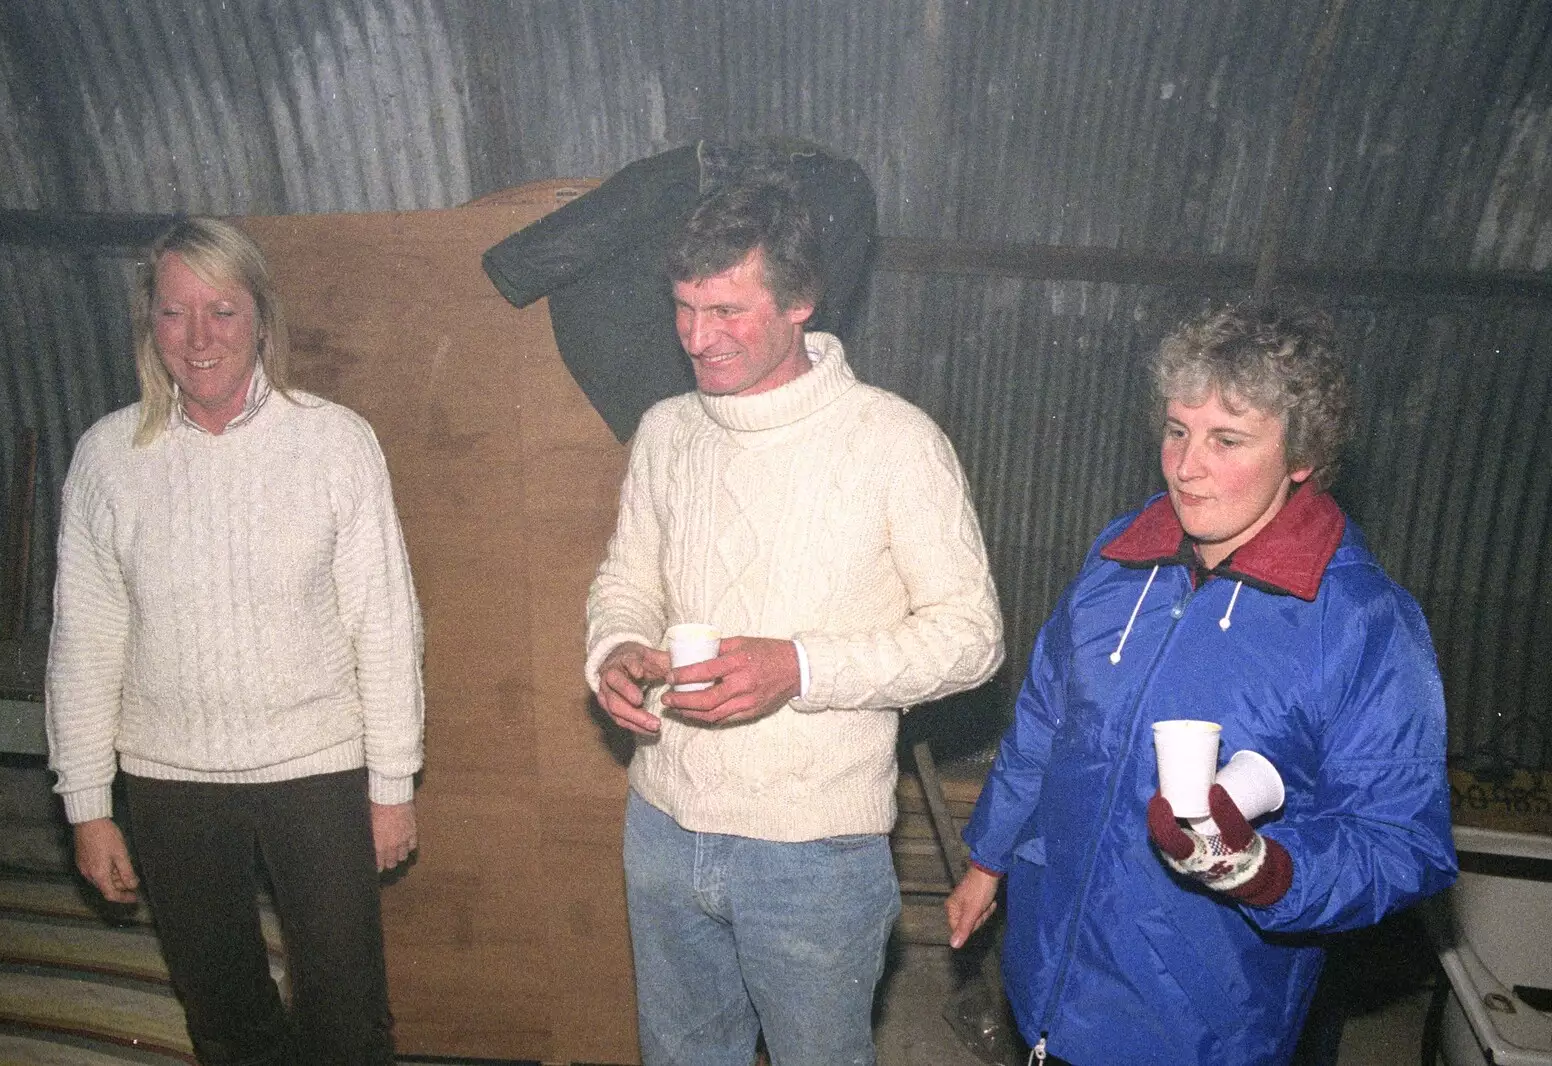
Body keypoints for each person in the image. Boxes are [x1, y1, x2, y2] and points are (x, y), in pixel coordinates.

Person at [945, 301, 1457, 1066]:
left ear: (1301, 457)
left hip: (1200, 1027)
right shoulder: (1119, 562)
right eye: (1177, 431)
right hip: (1047, 983)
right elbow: (1044, 724)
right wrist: (988, 858)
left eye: (1228, 440)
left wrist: (1267, 870)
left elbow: (1402, 842)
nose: (1187, 466)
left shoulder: (1360, 621)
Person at [586, 179, 1004, 1066]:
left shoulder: (894, 442)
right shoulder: (666, 432)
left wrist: (800, 669)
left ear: (802, 301)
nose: (699, 337)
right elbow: (625, 580)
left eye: (728, 310)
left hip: (811, 849)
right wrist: (615, 650)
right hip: (663, 824)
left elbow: (972, 637)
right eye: (685, 308)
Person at [45, 218, 424, 1066]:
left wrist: (392, 783)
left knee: (348, 1021)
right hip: (170, 781)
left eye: (222, 309)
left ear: (261, 318)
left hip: (316, 769)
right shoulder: (108, 458)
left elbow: (386, 624)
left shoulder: (335, 442)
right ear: (151, 325)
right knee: (223, 1018)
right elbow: (86, 640)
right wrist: (88, 805)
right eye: (176, 313)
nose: (200, 336)